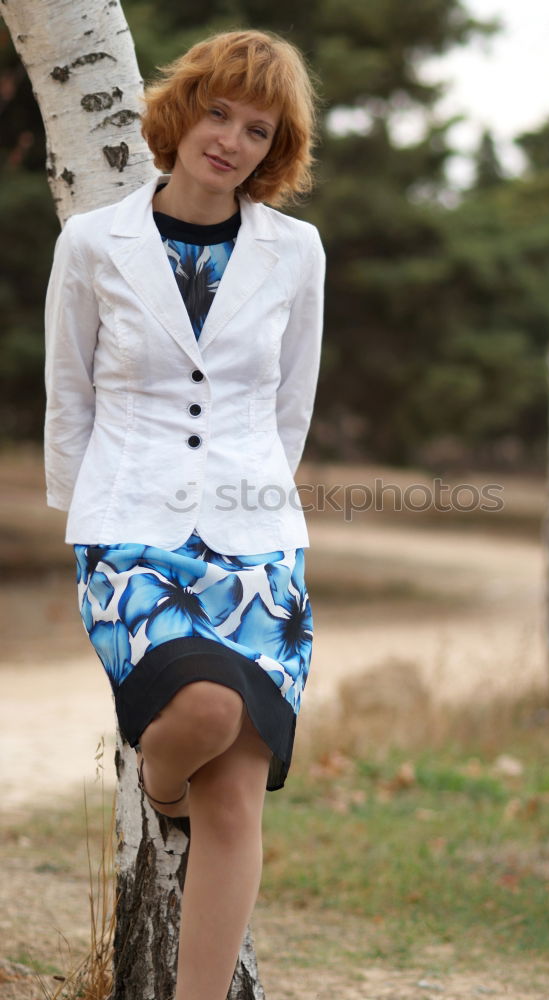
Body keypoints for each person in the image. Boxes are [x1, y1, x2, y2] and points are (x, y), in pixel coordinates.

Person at [43, 28, 325, 998]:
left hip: (258, 540)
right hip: (130, 529)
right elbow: (69, 397)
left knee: (241, 791)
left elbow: (291, 404)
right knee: (202, 710)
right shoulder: (93, 241)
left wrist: (250, 505)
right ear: (183, 109)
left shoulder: (297, 252)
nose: (232, 139)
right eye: (219, 112)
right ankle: (161, 788)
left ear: (274, 148)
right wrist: (86, 529)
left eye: (259, 128)